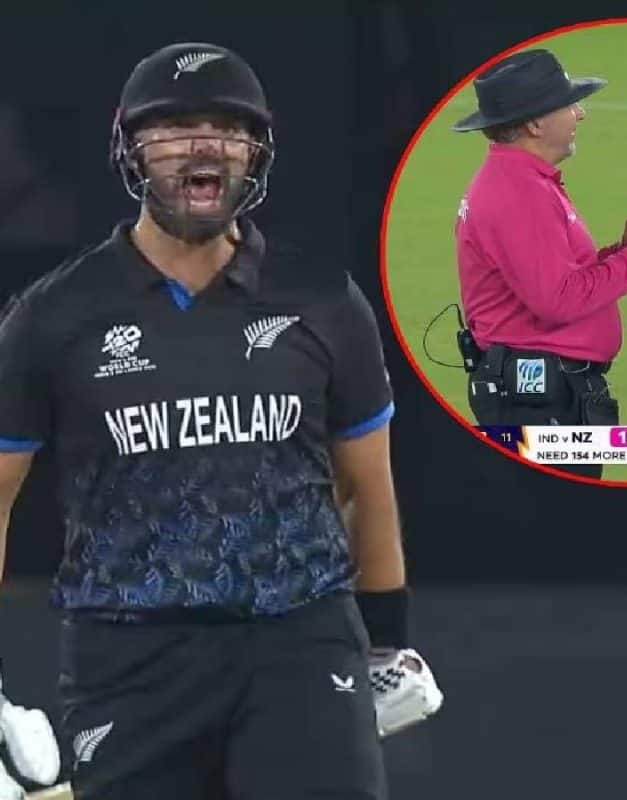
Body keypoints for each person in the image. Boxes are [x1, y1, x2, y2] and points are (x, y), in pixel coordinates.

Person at [0, 42, 441, 799]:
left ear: (255, 151)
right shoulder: (54, 316)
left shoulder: (324, 302)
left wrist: (387, 642)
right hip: (128, 658)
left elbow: (367, 487)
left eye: (228, 129)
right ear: (131, 148)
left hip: (300, 643)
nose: (205, 146)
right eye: (176, 127)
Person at [451, 48, 627, 480]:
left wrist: (624, 248)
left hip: (544, 395)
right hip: (539, 401)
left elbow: (560, 278)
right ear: (536, 124)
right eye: (569, 105)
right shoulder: (518, 192)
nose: (580, 114)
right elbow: (558, 299)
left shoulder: (522, 181)